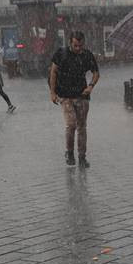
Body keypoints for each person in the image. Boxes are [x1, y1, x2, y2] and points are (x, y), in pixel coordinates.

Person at [49, 32, 100, 168]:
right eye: (75, 45)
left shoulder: (87, 55)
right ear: (70, 43)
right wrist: (52, 92)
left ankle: (82, 157)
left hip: (82, 95)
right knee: (71, 124)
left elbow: (96, 73)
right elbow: (53, 72)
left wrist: (91, 86)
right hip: (65, 96)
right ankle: (70, 152)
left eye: (81, 45)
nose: (78, 48)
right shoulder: (61, 54)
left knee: (82, 127)